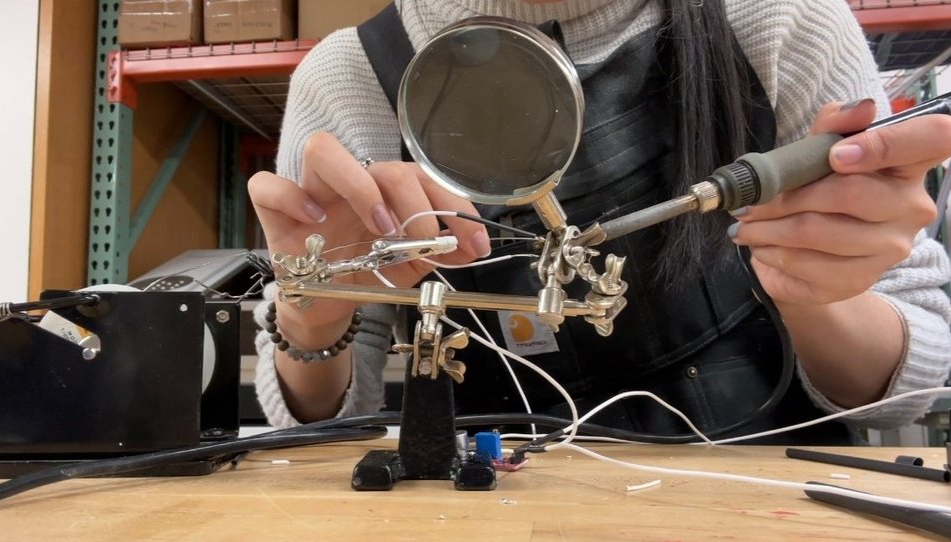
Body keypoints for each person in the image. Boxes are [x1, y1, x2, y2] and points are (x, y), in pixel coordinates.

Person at [247, 0, 951, 444]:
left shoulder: (775, 19)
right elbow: (318, 423)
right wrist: (312, 318)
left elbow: (907, 392)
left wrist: (817, 290)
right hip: (493, 516)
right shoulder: (348, 76)